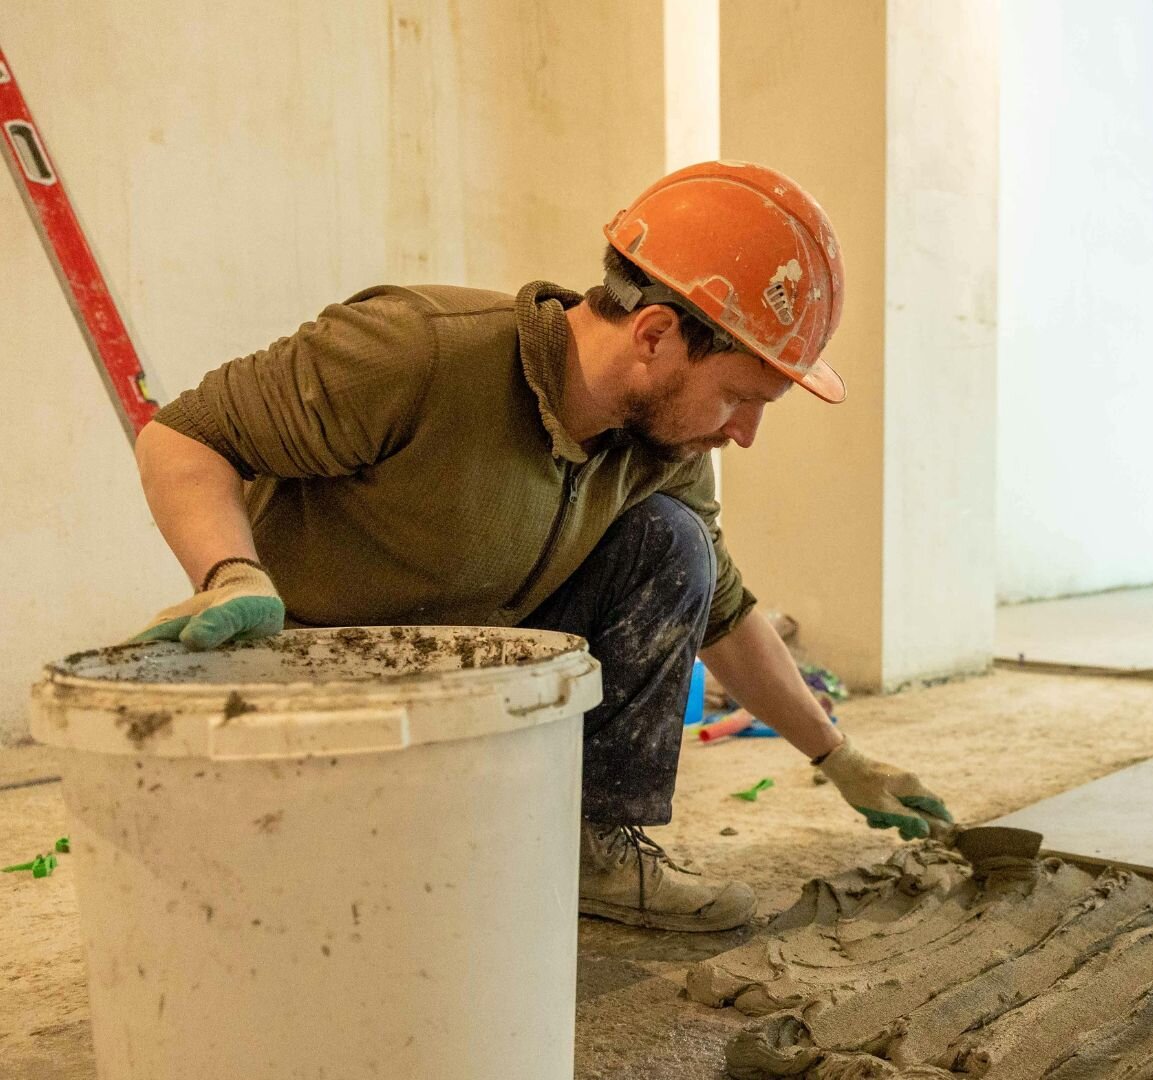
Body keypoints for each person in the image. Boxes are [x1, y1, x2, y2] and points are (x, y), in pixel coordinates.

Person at [127, 160, 952, 932]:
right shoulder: (417, 349)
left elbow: (724, 614)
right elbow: (185, 436)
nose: (745, 433)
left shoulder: (664, 447)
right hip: (326, 677)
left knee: (674, 546)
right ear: (657, 334)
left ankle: (593, 846)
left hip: (478, 671)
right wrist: (230, 570)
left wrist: (839, 758)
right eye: (739, 396)